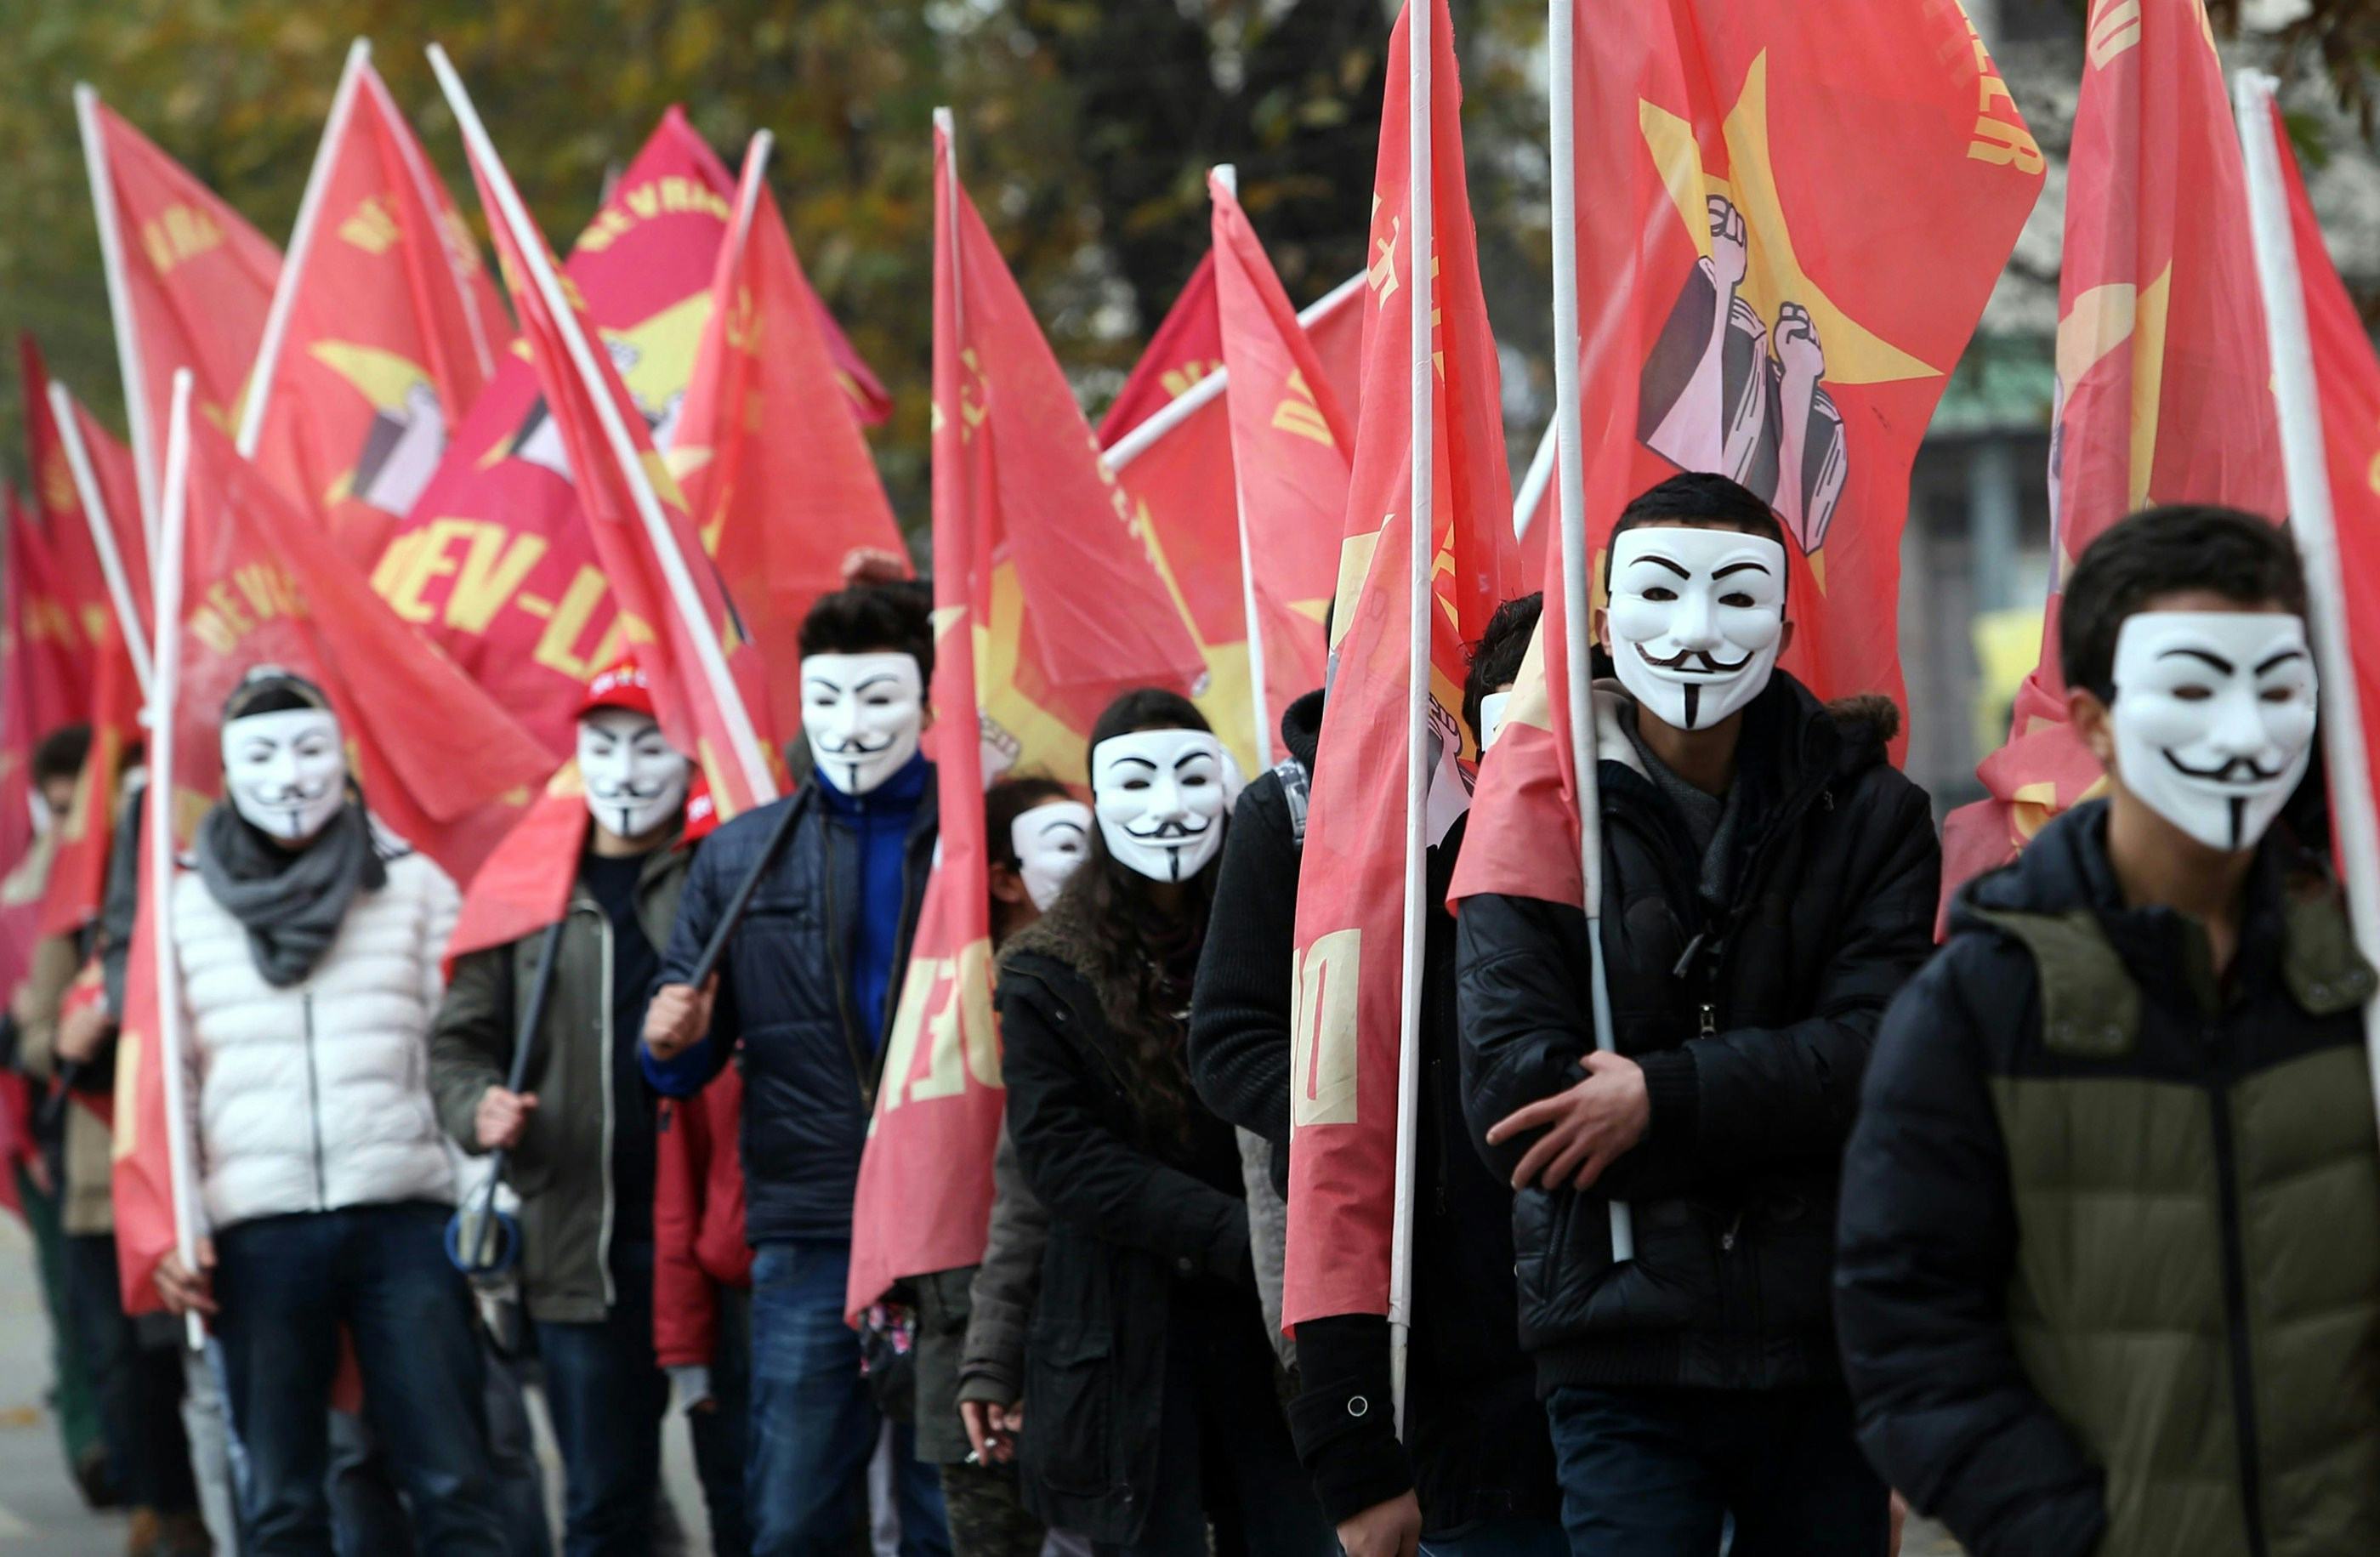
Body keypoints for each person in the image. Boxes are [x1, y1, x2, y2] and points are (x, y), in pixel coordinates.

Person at [1837, 505, 2380, 1557]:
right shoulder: (1982, 1003)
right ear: (2092, 721)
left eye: (2277, 690)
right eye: (2191, 688)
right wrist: (2078, 1536)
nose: (2242, 732)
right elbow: (1910, 1335)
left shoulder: (2355, 981)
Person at [1454, 472, 1939, 1555]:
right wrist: (1768, 1100)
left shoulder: (1874, 815)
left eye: (1734, 597)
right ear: (1604, 617)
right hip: (1618, 1342)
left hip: (1822, 1342)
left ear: (1784, 617)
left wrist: (1661, 1098)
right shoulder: (1533, 802)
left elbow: (1886, 1054)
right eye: (1661, 592)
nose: (1696, 632)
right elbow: (1512, 1092)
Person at [1190, 595, 1565, 1556]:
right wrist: (1359, 1111)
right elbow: (1230, 1039)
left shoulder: (1563, 804)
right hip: (1401, 1293)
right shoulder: (1289, 815)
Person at [150, 667, 508, 1554]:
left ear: (343, 757)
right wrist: (176, 1219)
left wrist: (482, 1196)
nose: (289, 775)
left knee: (455, 1478)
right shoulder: (183, 905)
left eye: (310, 749)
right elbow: (170, 1080)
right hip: (257, 1233)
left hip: (407, 1219)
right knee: (280, 1497)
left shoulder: (415, 884)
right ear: (226, 772)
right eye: (261, 755)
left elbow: (454, 1047)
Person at [642, 585, 951, 1557]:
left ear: (929, 703)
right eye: (827, 700)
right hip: (811, 1225)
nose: (849, 727)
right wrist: (667, 1038)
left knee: (957, 1511)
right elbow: (677, 1069)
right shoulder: (738, 856)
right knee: (796, 1516)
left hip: (954, 1222)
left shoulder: (979, 840)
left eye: (879, 698)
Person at [997, 688, 1334, 1556]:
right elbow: (1059, 1158)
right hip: (1126, 1330)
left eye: (1192, 776)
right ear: (1098, 800)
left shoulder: (1287, 932)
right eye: (1138, 780)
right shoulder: (1044, 971)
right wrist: (1238, 1232)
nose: (1170, 806)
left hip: (1274, 1330)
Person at [431, 660, 695, 1556]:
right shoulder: (524, 887)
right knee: (602, 1500)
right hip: (578, 1245)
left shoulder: (726, 867)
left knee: (755, 1488)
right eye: (603, 746)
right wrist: (479, 1108)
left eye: (650, 744)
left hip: (713, 1242)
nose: (625, 770)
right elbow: (458, 1043)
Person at [914, 776, 1088, 1557]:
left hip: (1097, 1324)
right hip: (967, 1316)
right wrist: (987, 1357)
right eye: (1062, 841)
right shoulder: (937, 1002)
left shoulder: (1130, 981)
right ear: (1003, 875)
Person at [2, 725, 114, 1508]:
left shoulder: (115, 874)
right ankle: (102, 1446)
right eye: (56, 802)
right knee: (82, 1311)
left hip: (115, 1125)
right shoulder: (23, 891)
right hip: (47, 1130)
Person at [655, 1060, 753, 1557]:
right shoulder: (703, 1033)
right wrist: (689, 1360)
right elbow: (677, 1205)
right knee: (735, 1505)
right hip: (730, 1310)